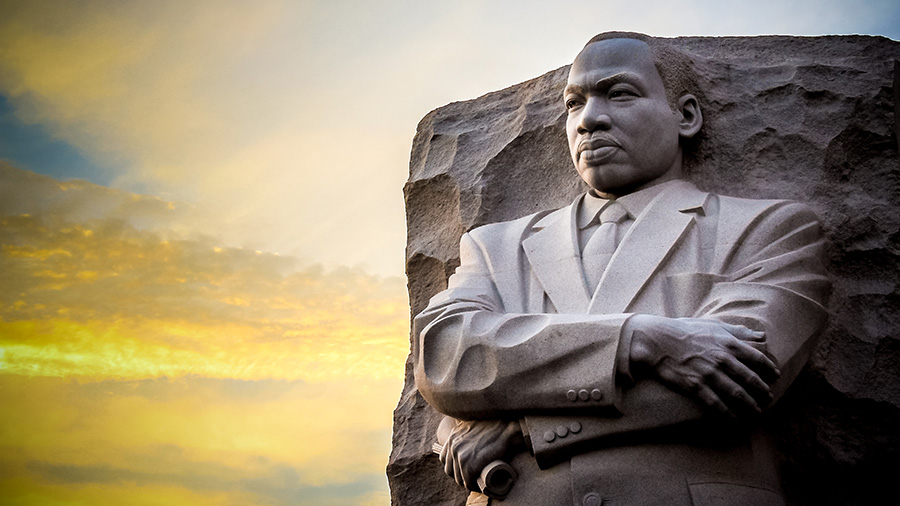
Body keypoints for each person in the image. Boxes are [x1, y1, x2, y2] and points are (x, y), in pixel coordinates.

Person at [413, 32, 830, 506]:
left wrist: (517, 428)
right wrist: (641, 339)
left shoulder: (766, 229)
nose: (589, 119)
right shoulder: (496, 247)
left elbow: (740, 379)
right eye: (574, 104)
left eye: (620, 93)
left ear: (685, 116)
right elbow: (447, 359)